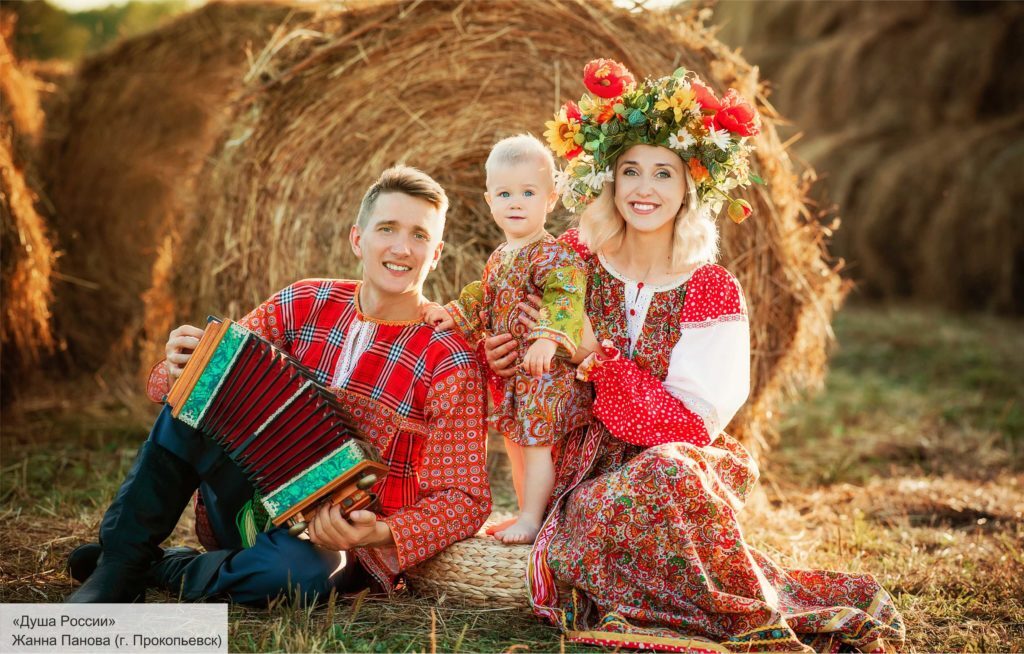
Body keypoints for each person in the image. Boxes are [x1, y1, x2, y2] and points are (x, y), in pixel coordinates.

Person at [484, 60, 905, 651]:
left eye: (663, 173)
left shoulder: (710, 289)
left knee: (668, 472)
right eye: (630, 171)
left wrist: (594, 357)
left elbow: (688, 425)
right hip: (581, 464)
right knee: (612, 496)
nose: (644, 189)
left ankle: (717, 606)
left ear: (691, 185)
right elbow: (514, 329)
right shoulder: (573, 255)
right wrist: (502, 350)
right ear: (610, 179)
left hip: (676, 465)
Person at [65, 165, 491, 604]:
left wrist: (380, 532)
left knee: (298, 573)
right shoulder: (304, 300)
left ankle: (162, 567)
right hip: (246, 502)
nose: (402, 248)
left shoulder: (449, 360)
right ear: (357, 239)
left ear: (436, 254)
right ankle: (119, 562)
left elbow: (465, 498)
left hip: (333, 543)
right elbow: (189, 382)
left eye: (420, 235)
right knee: (206, 383)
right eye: (387, 228)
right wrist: (178, 367)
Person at [422, 135, 591, 544]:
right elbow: (482, 297)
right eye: (505, 193)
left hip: (545, 375)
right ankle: (525, 512)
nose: (516, 202)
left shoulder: (555, 255)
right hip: (516, 379)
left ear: (550, 200)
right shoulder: (501, 255)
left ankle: (533, 519)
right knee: (516, 444)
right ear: (489, 201)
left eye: (528, 193)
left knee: (535, 447)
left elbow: (566, 296)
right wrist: (454, 315)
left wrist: (548, 340)